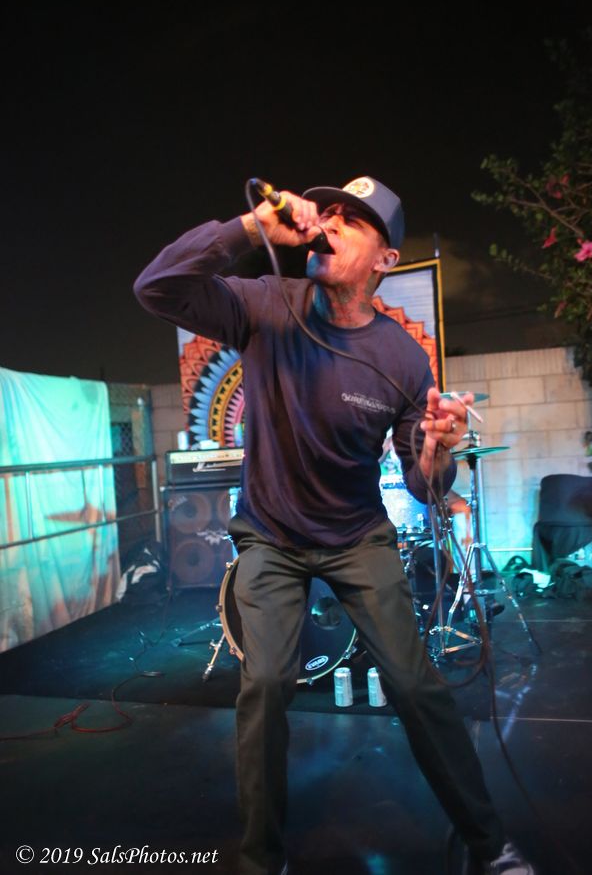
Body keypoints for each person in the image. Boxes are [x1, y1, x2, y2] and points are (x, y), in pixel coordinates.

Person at [134, 176, 534, 875]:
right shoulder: (267, 303)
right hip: (271, 536)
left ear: (385, 259)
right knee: (265, 685)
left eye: (354, 220)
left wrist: (437, 450)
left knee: (415, 687)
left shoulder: (402, 357)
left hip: (356, 537)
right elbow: (156, 288)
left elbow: (424, 485)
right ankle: (262, 859)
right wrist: (249, 229)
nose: (332, 224)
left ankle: (487, 840)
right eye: (332, 213)